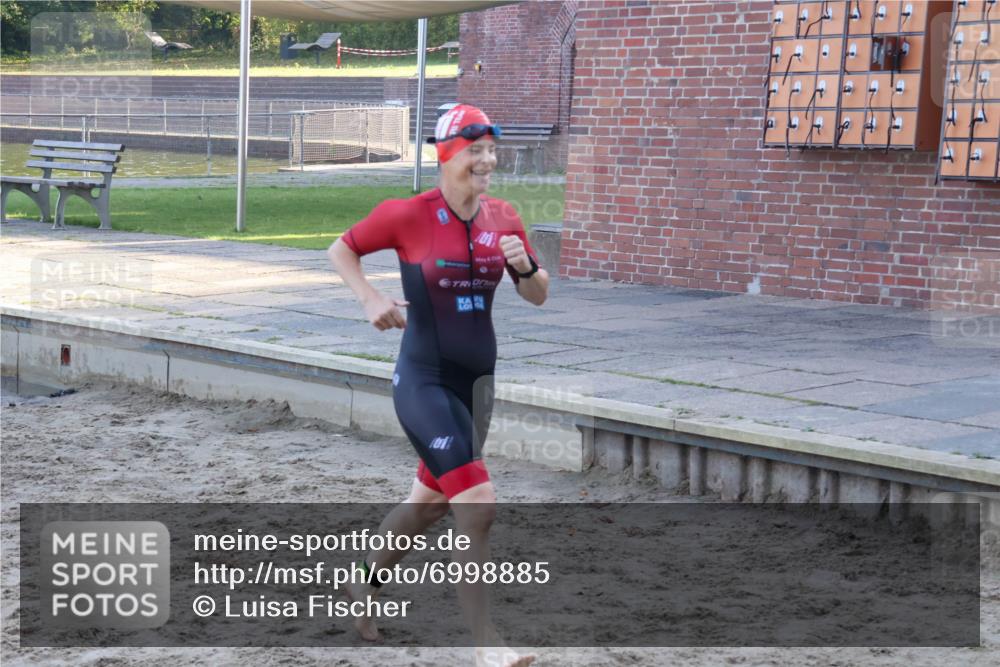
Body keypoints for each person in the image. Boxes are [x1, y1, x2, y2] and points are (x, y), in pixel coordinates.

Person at [327, 104, 548, 667]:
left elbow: (539, 293)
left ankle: (361, 582)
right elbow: (342, 249)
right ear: (446, 154)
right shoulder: (408, 215)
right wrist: (371, 298)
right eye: (475, 150)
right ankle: (486, 646)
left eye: (491, 151)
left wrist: (525, 268)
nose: (487, 161)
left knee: (426, 506)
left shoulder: (505, 216)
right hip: (423, 379)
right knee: (477, 505)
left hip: (478, 385)